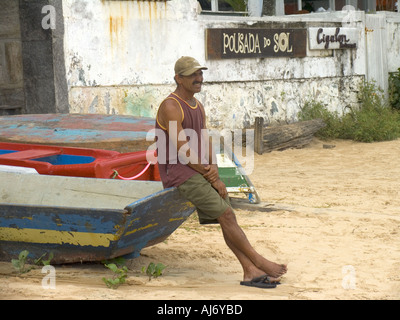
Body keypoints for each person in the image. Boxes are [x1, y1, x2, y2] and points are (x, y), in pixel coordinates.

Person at [155, 56, 287, 288]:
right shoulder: (171, 106)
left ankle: (249, 272)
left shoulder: (198, 105)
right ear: (178, 78)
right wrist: (209, 175)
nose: (199, 78)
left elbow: (205, 141)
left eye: (200, 74)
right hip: (179, 173)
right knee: (226, 215)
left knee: (227, 216)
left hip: (199, 171)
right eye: (193, 75)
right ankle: (259, 261)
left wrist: (214, 171)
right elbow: (182, 150)